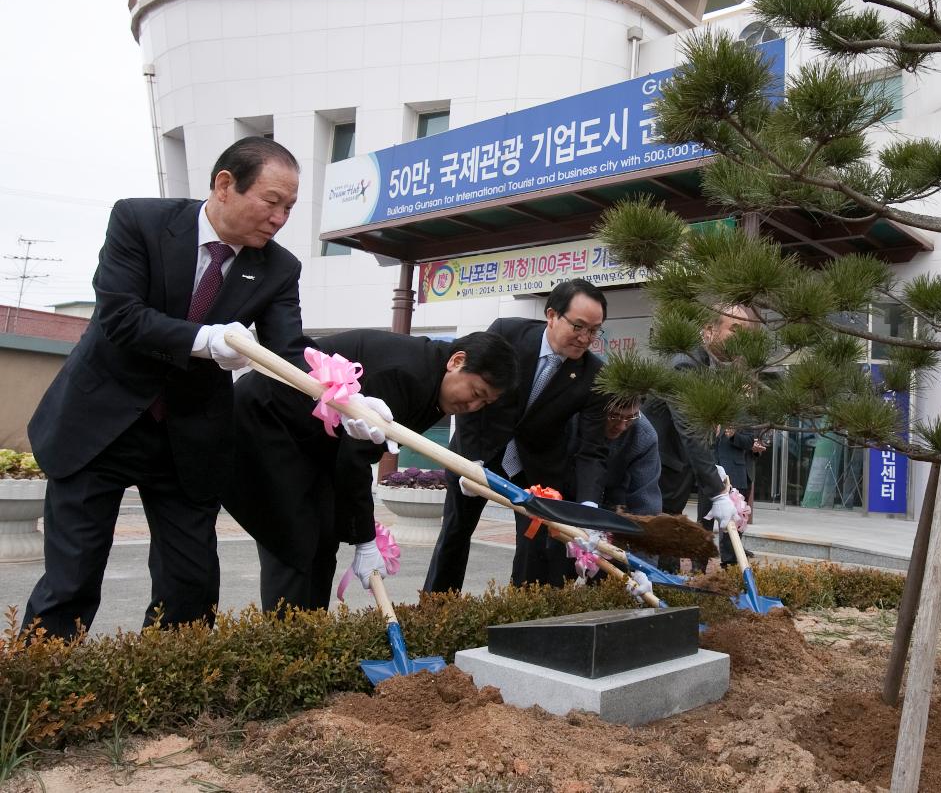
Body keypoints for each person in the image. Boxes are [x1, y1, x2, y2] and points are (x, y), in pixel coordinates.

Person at [23, 137, 309, 639]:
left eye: (289, 207)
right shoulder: (140, 221)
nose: (280, 217)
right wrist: (204, 339)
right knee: (72, 578)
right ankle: (36, 702)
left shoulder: (279, 268)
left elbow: (289, 352)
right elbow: (120, 316)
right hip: (100, 425)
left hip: (190, 438)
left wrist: (341, 393)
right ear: (225, 185)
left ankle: (173, 700)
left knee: (190, 583)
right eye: (271, 202)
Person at [227, 330, 518, 612]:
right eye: (476, 393)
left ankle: (308, 636)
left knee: (324, 537)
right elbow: (354, 459)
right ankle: (285, 645)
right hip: (265, 421)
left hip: (313, 444)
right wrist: (365, 540)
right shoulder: (407, 375)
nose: (473, 406)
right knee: (294, 540)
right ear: (456, 361)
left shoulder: (435, 383)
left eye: (485, 403)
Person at [424, 279, 611, 591]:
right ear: (552, 315)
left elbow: (593, 449)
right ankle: (435, 607)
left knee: (536, 547)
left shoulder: (594, 374)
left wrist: (589, 506)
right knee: (456, 532)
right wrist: (471, 463)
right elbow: (472, 401)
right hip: (480, 451)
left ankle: (523, 615)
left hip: (537, 466)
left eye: (594, 330)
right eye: (578, 326)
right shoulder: (507, 333)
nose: (584, 338)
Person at [644, 304, 757, 568]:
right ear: (708, 331)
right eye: (735, 329)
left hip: (674, 477)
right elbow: (691, 431)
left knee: (666, 550)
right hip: (657, 476)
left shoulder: (707, 365)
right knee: (654, 552)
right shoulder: (685, 365)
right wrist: (718, 493)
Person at [570, 395, 661, 516]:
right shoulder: (573, 419)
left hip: (611, 504)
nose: (621, 426)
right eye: (614, 416)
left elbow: (646, 500)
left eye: (631, 417)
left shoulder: (645, 436)